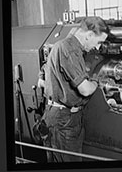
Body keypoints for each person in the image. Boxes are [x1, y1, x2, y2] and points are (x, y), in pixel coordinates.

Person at [36, 16, 110, 162]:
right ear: (89, 35)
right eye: (99, 42)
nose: (98, 47)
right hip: (63, 121)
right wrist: (96, 81)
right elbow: (85, 90)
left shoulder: (68, 46)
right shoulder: (69, 49)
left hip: (69, 118)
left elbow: (43, 71)